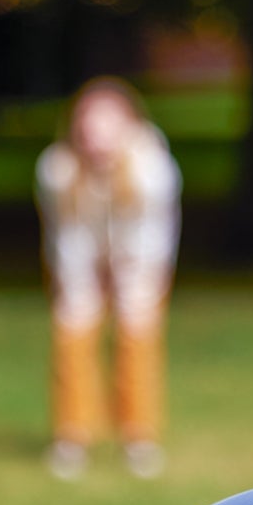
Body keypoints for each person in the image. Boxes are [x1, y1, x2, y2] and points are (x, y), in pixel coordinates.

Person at [35, 77, 182, 480]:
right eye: (88, 126)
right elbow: (66, 236)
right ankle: (72, 436)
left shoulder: (153, 169)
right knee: (72, 332)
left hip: (140, 261)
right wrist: (82, 284)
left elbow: (153, 236)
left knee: (137, 337)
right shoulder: (57, 169)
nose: (96, 137)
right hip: (79, 260)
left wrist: (129, 279)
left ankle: (139, 438)